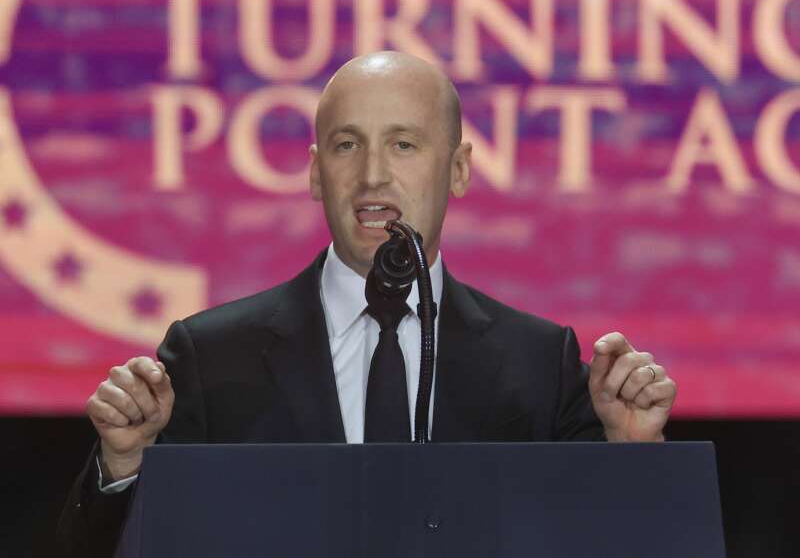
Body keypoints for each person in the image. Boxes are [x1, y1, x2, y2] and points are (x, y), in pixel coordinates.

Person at [57, 51, 677, 556]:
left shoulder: (539, 363)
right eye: (347, 145)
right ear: (314, 172)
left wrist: (631, 456)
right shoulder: (210, 357)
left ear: (458, 170)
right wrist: (126, 465)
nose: (373, 175)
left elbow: (609, 543)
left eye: (404, 144)